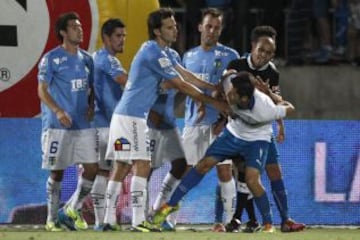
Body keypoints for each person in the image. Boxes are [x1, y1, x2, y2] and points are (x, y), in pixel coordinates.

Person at [102, 7, 228, 232]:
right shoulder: (153, 52)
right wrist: (215, 102)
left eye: (175, 26)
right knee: (142, 164)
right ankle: (139, 220)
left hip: (126, 116)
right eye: (170, 27)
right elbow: (181, 85)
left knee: (121, 167)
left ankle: (108, 220)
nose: (175, 30)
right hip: (131, 118)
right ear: (158, 32)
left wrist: (213, 87)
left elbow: (185, 75)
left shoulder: (167, 53)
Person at [152, 71, 295, 234]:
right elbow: (224, 80)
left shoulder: (265, 109)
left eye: (233, 93)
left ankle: (268, 224)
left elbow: (290, 107)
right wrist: (209, 100)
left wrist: (270, 94)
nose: (229, 94)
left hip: (257, 139)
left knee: (252, 180)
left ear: (244, 99)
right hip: (233, 134)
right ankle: (170, 205)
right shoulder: (231, 86)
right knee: (203, 164)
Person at [224, 25, 305, 233]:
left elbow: (278, 103)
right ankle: (239, 218)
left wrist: (280, 124)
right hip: (240, 131)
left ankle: (284, 220)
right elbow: (226, 96)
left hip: (263, 130)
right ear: (253, 46)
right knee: (244, 174)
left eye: (269, 53)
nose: (264, 56)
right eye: (261, 50)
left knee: (274, 172)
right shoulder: (236, 65)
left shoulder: (272, 72)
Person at [37, 12, 98, 231]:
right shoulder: (51, 58)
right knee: (57, 172)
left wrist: (91, 106)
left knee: (92, 168)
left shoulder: (87, 59)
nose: (79, 29)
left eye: (80, 26)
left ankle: (73, 207)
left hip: (82, 125)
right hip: (57, 126)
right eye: (74, 26)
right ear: (63, 32)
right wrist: (58, 110)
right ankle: (51, 219)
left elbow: (92, 89)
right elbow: (42, 90)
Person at [181, 7, 240, 231]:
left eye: (216, 27)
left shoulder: (230, 56)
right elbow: (184, 89)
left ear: (221, 30)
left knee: (225, 171)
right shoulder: (188, 56)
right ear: (200, 27)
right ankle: (168, 218)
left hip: (220, 126)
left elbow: (234, 94)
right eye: (208, 26)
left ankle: (229, 221)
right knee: (183, 170)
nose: (212, 31)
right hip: (193, 124)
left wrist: (225, 122)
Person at [90, 18, 128, 231]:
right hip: (111, 126)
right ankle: (108, 219)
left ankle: (100, 222)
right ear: (106, 37)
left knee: (103, 172)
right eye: (118, 36)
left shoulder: (95, 58)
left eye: (124, 36)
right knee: (120, 168)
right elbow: (125, 81)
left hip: (98, 124)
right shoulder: (108, 60)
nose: (122, 40)